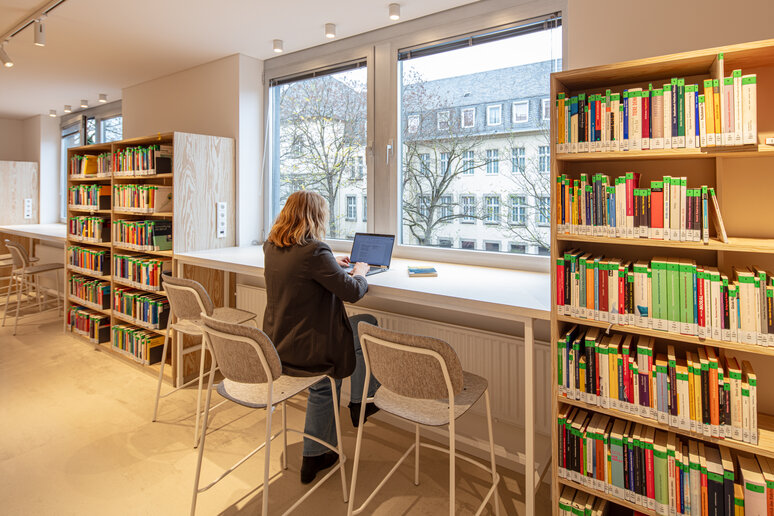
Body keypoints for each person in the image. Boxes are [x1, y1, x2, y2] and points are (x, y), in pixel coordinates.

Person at [262, 190, 380, 484]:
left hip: (277, 345)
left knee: (356, 333)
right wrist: (360, 271)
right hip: (307, 350)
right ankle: (362, 400)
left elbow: (309, 271)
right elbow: (353, 292)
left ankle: (317, 454)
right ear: (316, 216)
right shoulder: (315, 252)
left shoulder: (271, 247)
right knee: (366, 326)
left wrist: (332, 264)